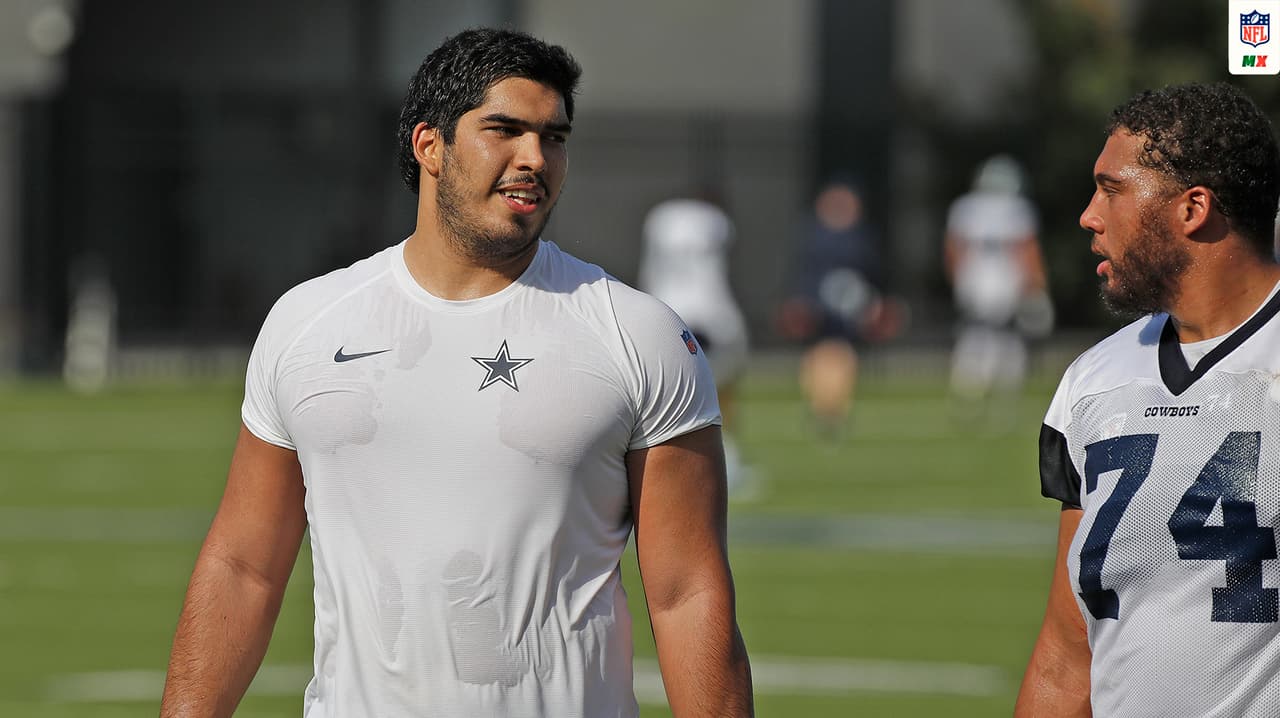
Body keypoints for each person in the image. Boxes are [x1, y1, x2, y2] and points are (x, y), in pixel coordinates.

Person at [159, 28, 753, 718]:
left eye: (553, 137)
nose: (534, 157)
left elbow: (688, 594)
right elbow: (243, 568)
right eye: (504, 129)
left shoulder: (639, 334)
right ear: (429, 145)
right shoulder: (308, 322)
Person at [1016, 82, 1280, 716]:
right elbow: (1065, 655)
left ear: (1193, 208)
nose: (1088, 215)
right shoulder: (1092, 381)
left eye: (1112, 189)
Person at [638, 188, 754, 493]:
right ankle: (724, 458)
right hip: (712, 314)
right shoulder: (716, 221)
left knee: (663, 394)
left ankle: (659, 464)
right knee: (720, 389)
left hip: (666, 309)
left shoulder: (660, 217)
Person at [776, 177, 897, 435]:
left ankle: (832, 408)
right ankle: (824, 406)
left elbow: (871, 273)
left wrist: (873, 305)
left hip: (849, 306)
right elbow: (803, 274)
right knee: (822, 355)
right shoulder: (814, 236)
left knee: (841, 355)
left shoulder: (860, 238)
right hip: (819, 306)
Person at [943, 154, 1051, 411]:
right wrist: (1037, 285)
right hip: (1006, 280)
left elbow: (953, 251)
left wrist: (958, 281)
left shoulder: (964, 207)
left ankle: (968, 390)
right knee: (1008, 337)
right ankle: (1003, 395)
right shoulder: (1017, 209)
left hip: (973, 280)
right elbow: (1027, 250)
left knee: (975, 335)